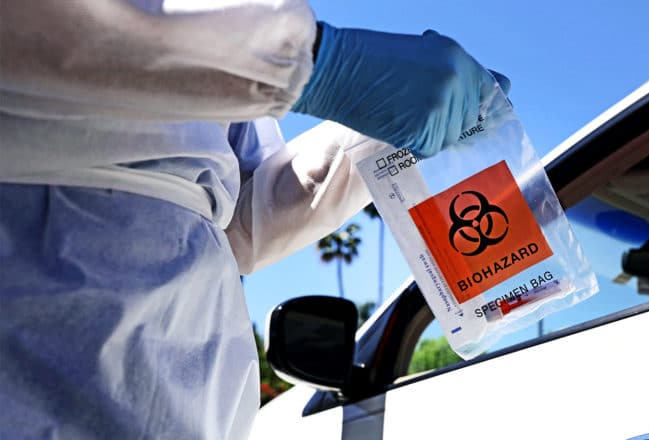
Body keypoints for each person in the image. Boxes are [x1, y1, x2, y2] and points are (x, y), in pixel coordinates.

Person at [0, 1, 510, 438]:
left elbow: (236, 220)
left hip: (195, 386)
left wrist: (376, 137)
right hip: (44, 296)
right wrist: (320, 66)